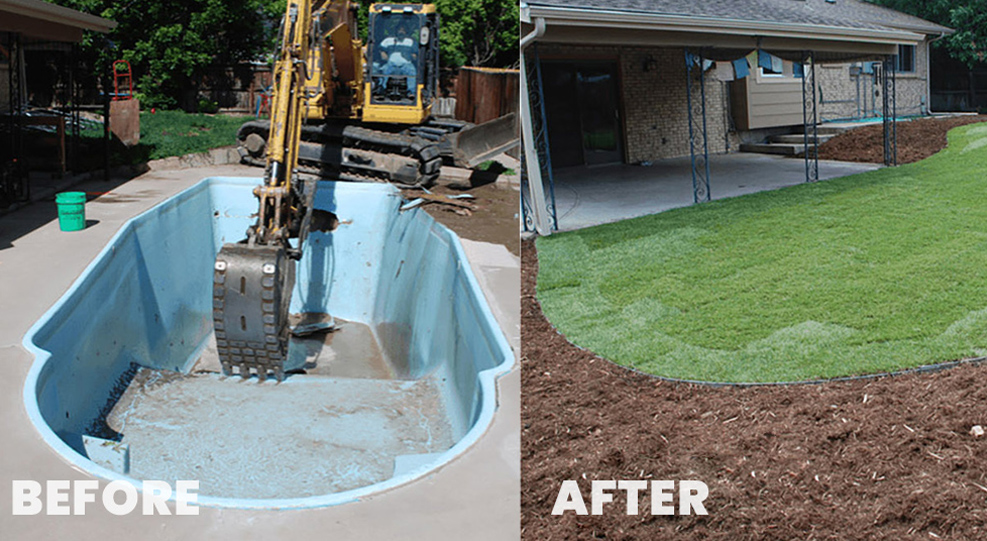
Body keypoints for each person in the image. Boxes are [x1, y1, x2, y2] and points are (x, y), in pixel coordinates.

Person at [377, 22, 417, 98]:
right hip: (390, 64)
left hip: (406, 65)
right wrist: (384, 55)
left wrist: (412, 56)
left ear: (406, 31)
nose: (401, 32)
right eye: (399, 30)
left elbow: (415, 55)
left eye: (403, 30)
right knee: (383, 69)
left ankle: (411, 92)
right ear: (396, 31)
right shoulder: (388, 40)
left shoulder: (410, 41)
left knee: (412, 71)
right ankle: (381, 90)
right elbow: (381, 50)